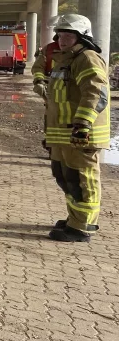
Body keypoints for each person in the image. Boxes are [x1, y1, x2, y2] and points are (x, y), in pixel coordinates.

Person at [42, 14, 110, 243]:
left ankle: (82, 227)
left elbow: (96, 93)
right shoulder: (67, 59)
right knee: (64, 176)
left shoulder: (87, 58)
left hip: (80, 134)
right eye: (60, 35)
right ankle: (74, 218)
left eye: (68, 36)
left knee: (82, 179)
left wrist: (82, 124)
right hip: (63, 134)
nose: (62, 40)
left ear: (81, 37)